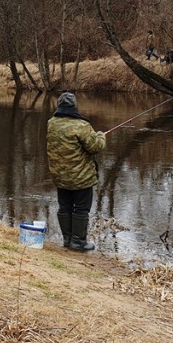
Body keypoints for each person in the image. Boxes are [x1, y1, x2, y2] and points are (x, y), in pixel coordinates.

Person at [46, 92, 107, 251]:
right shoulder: (81, 126)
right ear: (74, 106)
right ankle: (78, 242)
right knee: (81, 208)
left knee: (64, 206)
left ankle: (67, 240)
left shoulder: (51, 123)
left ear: (59, 105)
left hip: (60, 176)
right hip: (81, 178)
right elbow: (96, 147)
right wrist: (101, 136)